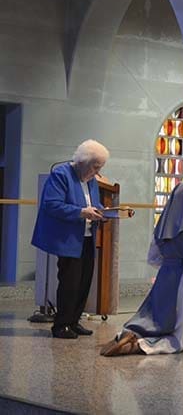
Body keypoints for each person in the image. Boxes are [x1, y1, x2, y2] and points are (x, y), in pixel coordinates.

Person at [100, 179, 183, 356]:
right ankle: (140, 345)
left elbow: (153, 257)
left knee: (156, 317)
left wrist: (167, 266)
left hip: (165, 276)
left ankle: (129, 335)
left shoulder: (163, 223)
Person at [31, 139, 110, 339]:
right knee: (69, 283)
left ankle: (74, 322)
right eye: (96, 166)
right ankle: (61, 325)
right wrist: (82, 212)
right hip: (68, 239)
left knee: (84, 282)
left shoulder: (90, 178)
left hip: (87, 237)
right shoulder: (61, 175)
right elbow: (51, 204)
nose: (98, 171)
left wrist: (101, 210)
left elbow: (93, 201)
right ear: (83, 161)